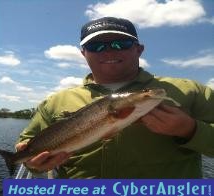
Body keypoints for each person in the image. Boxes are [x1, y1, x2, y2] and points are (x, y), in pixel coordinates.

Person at [16, 17, 214, 178]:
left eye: (122, 43)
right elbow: (28, 148)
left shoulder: (191, 90)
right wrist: (35, 165)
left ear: (139, 49)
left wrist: (191, 130)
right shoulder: (54, 102)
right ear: (83, 53)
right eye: (96, 46)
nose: (109, 50)